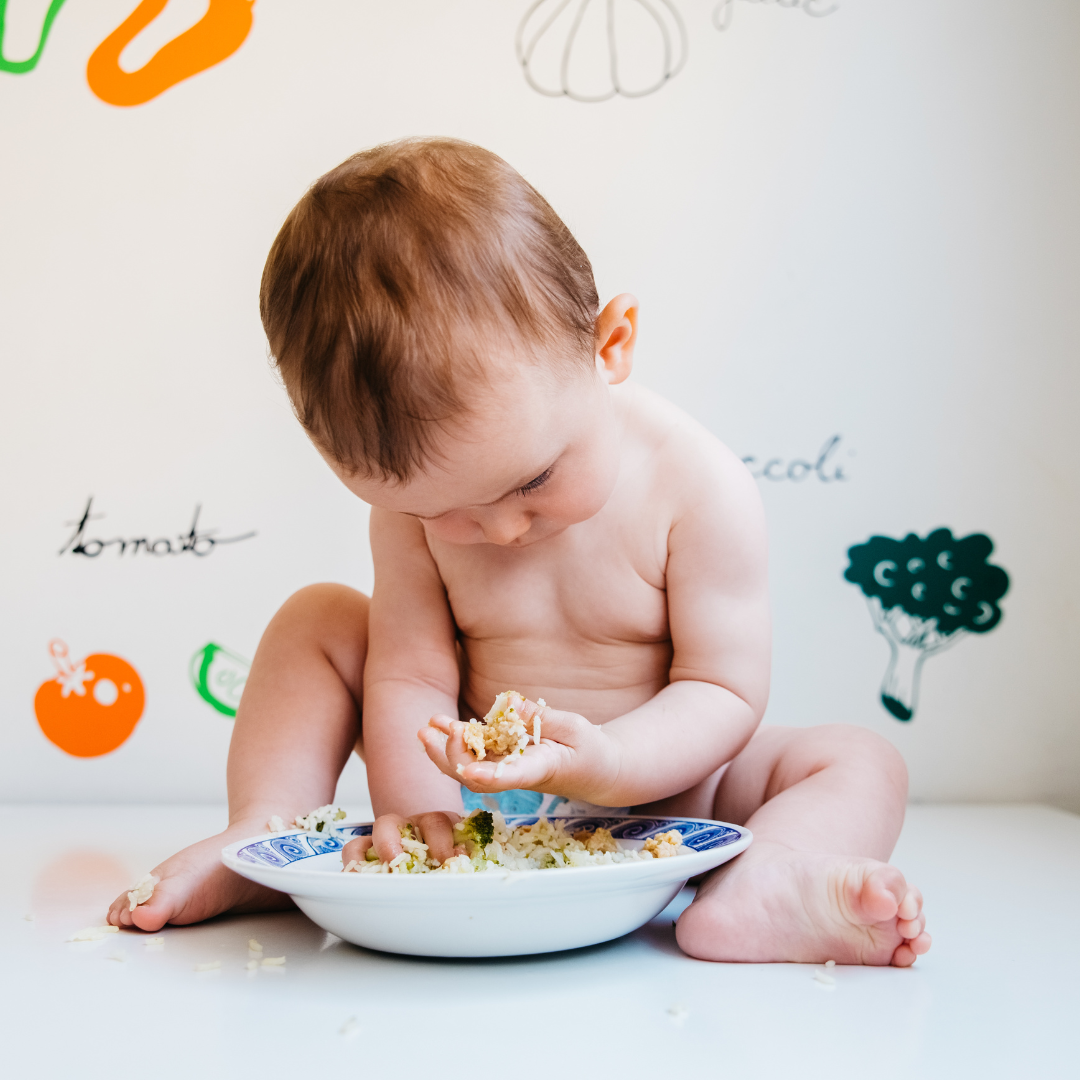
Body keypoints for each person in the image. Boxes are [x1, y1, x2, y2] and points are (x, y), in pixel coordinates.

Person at [107, 138, 929, 965]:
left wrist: (611, 762)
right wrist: (432, 818)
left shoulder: (698, 487)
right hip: (475, 789)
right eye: (439, 511)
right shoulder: (412, 519)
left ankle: (766, 885)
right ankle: (268, 833)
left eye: (534, 479)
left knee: (859, 761)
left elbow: (721, 688)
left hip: (667, 786)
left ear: (610, 346)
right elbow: (411, 677)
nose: (498, 531)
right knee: (317, 619)